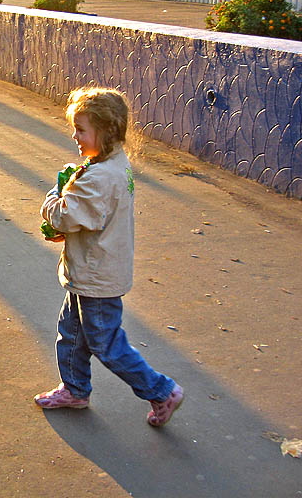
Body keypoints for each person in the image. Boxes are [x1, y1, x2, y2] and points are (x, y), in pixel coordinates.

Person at [34, 87, 184, 427]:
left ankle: (161, 391)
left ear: (107, 131)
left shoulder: (99, 177)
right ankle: (74, 389)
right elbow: (90, 217)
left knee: (106, 344)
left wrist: (55, 195)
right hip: (90, 270)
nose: (75, 135)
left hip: (96, 277)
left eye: (82, 129)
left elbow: (62, 215)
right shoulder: (111, 162)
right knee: (72, 334)